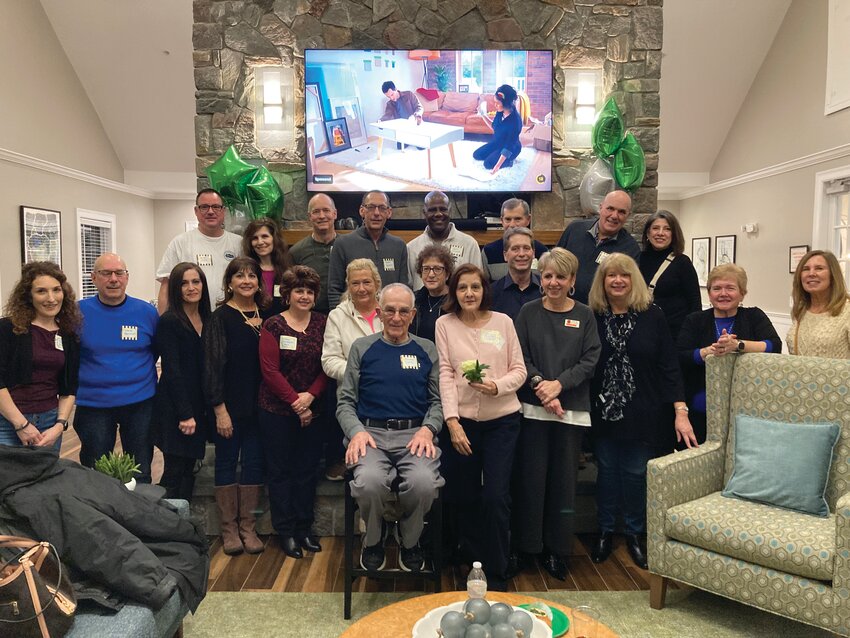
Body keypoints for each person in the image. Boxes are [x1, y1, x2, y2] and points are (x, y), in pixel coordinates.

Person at [587, 253, 697, 570]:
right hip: (602, 410)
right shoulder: (592, 316)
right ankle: (606, 531)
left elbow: (669, 366)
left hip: (645, 408)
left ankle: (634, 533)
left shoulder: (653, 315)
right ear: (602, 281)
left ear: (634, 279)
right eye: (611, 276)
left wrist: (680, 408)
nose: (618, 280)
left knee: (636, 472)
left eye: (624, 275)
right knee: (606, 471)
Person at [337, 283, 444, 574]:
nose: (396, 317)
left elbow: (437, 401)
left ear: (413, 314)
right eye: (390, 310)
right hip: (369, 436)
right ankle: (373, 540)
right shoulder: (362, 348)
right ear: (379, 313)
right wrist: (356, 431)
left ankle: (410, 541)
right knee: (369, 482)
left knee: (424, 483)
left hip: (415, 436)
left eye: (403, 311)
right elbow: (345, 401)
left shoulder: (427, 349)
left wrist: (428, 429)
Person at [434, 264, 526, 590]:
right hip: (462, 425)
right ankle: (472, 563)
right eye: (462, 288)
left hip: (502, 421)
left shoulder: (503, 323)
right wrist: (452, 421)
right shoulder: (444, 324)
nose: (469, 293)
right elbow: (445, 373)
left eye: (475, 287)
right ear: (454, 293)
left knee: (496, 496)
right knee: (464, 495)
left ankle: (498, 567)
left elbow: (519, 370)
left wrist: (497, 386)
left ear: (484, 289)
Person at [513, 248, 601, 581]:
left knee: (563, 485)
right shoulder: (527, 312)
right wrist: (541, 387)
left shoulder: (585, 315)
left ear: (572, 281)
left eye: (560, 277)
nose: (553, 282)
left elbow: (591, 358)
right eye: (547, 276)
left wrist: (559, 386)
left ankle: (557, 550)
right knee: (531, 482)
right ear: (541, 278)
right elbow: (520, 357)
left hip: (570, 412)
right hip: (534, 409)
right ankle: (528, 547)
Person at [258, 266, 328, 559]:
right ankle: (285, 532)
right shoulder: (273, 325)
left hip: (313, 409)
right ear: (287, 294)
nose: (304, 296)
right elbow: (269, 371)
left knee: (307, 472)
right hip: (276, 411)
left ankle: (304, 528)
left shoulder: (324, 323)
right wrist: (295, 402)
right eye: (298, 290)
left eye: (309, 291)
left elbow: (328, 364)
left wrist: (310, 397)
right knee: (280, 472)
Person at [203, 257, 267, 555]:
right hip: (229, 406)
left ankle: (248, 527)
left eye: (252, 276)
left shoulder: (266, 313)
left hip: (262, 406)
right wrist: (219, 409)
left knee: (254, 465)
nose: (246, 281)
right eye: (239, 276)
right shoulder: (220, 318)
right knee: (227, 463)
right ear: (229, 282)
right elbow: (212, 367)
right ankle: (229, 529)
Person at [75, 253, 158, 483]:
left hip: (140, 403)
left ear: (127, 278)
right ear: (93, 278)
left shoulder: (147, 313)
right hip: (94, 404)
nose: (113, 279)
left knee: (140, 470)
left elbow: (155, 351)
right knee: (96, 473)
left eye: (119, 273)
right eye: (106, 273)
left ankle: (141, 514)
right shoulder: (76, 313)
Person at [678, 264, 782, 444]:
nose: (723, 293)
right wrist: (705, 353)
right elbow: (680, 356)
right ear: (709, 294)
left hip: (748, 410)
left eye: (730, 288)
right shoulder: (694, 320)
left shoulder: (754, 316)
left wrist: (738, 345)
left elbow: (774, 345)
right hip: (699, 412)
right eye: (716, 288)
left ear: (742, 293)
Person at [0, 262, 80, 451]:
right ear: (28, 296)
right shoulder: (8, 329)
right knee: (9, 480)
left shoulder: (68, 335)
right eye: (41, 291)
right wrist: (22, 424)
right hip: (7, 423)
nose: (51, 298)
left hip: (49, 424)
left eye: (56, 290)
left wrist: (60, 425)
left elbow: (69, 387)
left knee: (46, 478)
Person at [152, 263, 211, 501]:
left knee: (189, 469)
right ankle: (164, 526)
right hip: (176, 407)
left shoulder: (208, 318)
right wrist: (185, 414)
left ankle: (183, 527)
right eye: (184, 283)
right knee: (174, 471)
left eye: (195, 282)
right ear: (176, 288)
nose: (191, 288)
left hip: (199, 404)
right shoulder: (170, 321)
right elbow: (172, 370)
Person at [321, 258, 384, 481]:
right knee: (363, 464)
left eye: (367, 282)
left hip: (390, 397)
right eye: (355, 283)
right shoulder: (337, 316)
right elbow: (329, 360)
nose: (361, 288)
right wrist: (360, 371)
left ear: (377, 283)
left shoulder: (389, 311)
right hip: (353, 397)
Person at [156, 188, 242, 313]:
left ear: (223, 211)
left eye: (216, 207)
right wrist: (163, 322)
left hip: (229, 318)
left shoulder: (238, 243)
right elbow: (166, 285)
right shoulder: (180, 243)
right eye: (204, 207)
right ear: (196, 211)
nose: (211, 211)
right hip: (191, 320)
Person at [327, 190, 409, 310]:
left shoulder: (399, 245)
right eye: (371, 207)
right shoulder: (343, 244)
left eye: (382, 208)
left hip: (388, 319)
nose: (376, 213)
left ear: (389, 212)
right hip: (354, 320)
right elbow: (334, 290)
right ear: (362, 211)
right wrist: (340, 319)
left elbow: (402, 289)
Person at [555, 190, 640, 304]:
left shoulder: (630, 248)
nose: (614, 216)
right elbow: (555, 264)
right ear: (600, 208)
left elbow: (627, 289)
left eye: (621, 212)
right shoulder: (574, 229)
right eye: (610, 208)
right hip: (564, 306)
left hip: (601, 313)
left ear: (627, 216)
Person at [638, 211, 701, 340]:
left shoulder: (682, 262)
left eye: (667, 229)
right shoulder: (638, 260)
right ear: (648, 233)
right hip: (644, 329)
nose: (660, 233)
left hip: (675, 334)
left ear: (674, 234)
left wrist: (691, 334)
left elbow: (694, 301)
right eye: (655, 228)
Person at [406, 191, 482, 290]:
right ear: (424, 213)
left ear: (450, 211)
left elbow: (478, 283)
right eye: (432, 210)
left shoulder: (469, 244)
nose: (438, 214)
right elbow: (408, 287)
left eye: (443, 209)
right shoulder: (411, 248)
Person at [788, 249, 850, 358]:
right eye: (806, 269)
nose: (811, 273)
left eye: (819, 268)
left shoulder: (847, 310)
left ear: (833, 274)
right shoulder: (801, 310)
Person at [290, 194, 338, 315]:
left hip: (345, 317)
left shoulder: (347, 246)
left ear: (335, 214)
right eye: (316, 211)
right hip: (310, 317)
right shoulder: (297, 252)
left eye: (326, 210)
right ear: (309, 216)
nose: (322, 216)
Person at [481, 198, 548, 282]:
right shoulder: (489, 252)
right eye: (508, 219)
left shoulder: (542, 252)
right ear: (502, 221)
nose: (512, 225)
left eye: (517, 219)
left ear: (528, 220)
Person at [242, 217, 294, 316]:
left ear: (274, 239)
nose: (260, 242)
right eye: (255, 238)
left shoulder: (288, 270)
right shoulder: (246, 272)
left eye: (265, 236)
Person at [491, 227, 541, 320]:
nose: (521, 254)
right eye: (515, 249)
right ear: (505, 255)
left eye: (526, 248)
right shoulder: (491, 293)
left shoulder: (546, 289)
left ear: (533, 253)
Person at [473, 84, 522, 174]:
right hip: (498, 143)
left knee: (488, 164)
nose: (495, 105)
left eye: (497, 103)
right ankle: (496, 154)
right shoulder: (500, 112)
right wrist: (483, 115)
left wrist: (498, 166)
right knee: (477, 155)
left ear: (506, 103)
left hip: (511, 148)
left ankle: (509, 162)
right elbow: (494, 127)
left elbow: (509, 146)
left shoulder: (515, 121)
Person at [410, 246, 453, 343]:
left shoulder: (455, 301)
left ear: (447, 274)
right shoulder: (413, 300)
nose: (431, 274)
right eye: (426, 269)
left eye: (437, 269)